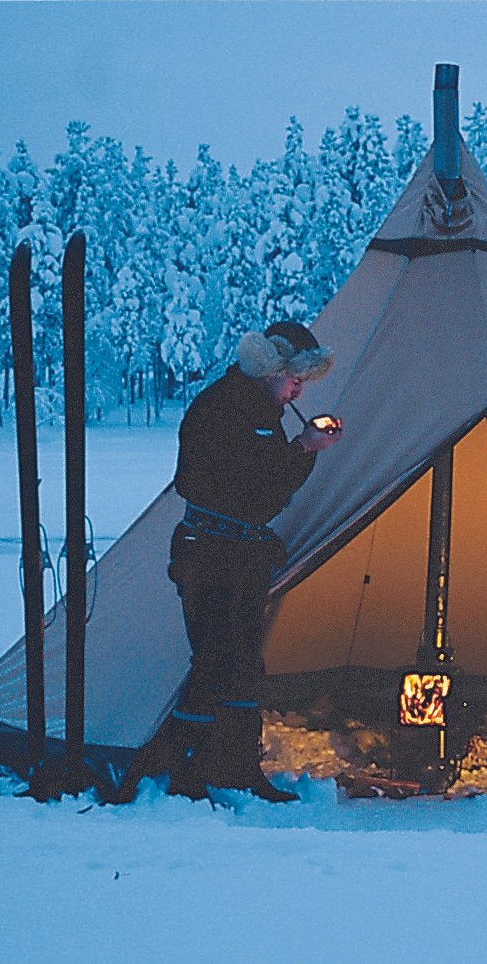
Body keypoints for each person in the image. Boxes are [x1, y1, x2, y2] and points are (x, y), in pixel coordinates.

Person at [156, 320, 340, 802]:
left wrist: (297, 450)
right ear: (270, 368)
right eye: (295, 378)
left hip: (235, 554)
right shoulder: (229, 410)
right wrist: (302, 449)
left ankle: (233, 768)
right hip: (213, 554)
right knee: (216, 659)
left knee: (239, 663)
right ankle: (187, 768)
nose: (299, 389)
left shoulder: (255, 410)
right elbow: (255, 492)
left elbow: (262, 491)